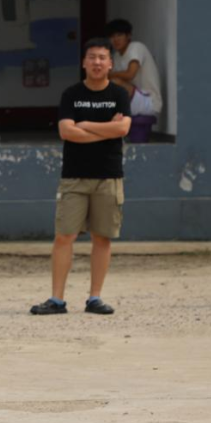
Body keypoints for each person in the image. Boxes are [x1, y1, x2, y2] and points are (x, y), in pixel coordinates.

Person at [31, 38, 131, 316]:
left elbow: (122, 129)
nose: (97, 62)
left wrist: (85, 125)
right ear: (84, 63)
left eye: (102, 57)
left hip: (108, 176)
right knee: (64, 236)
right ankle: (56, 300)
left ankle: (95, 298)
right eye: (92, 57)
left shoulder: (119, 94)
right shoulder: (71, 94)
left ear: (110, 63)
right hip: (74, 177)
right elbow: (67, 132)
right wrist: (105, 129)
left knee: (102, 238)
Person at [106, 19, 163, 121]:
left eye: (119, 35)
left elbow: (130, 74)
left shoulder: (136, 47)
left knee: (114, 83)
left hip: (149, 101)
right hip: (134, 100)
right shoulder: (116, 56)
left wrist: (110, 74)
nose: (115, 39)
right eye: (112, 36)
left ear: (128, 36)